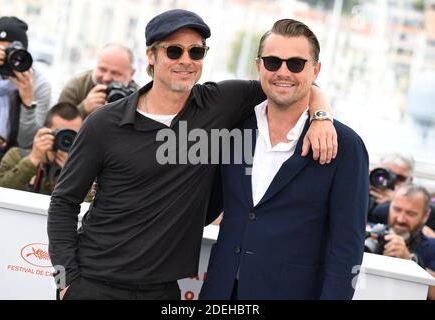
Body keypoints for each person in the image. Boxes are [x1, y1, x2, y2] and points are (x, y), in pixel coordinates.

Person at [48, 9, 337, 300]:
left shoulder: (219, 104)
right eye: (174, 51)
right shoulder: (104, 124)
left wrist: (322, 116)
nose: (186, 61)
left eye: (196, 52)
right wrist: (65, 281)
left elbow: (288, 81)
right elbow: (64, 202)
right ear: (151, 56)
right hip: (94, 284)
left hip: (162, 291)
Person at [199, 18, 369, 300]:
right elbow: (207, 204)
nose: (283, 71)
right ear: (258, 66)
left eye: (296, 64)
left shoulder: (345, 146)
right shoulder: (234, 129)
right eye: (273, 62)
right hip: (220, 290)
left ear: (316, 70)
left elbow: (347, 248)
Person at [0, 16, 51, 185]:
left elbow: (27, 142)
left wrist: (28, 100)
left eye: (11, 52)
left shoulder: (38, 84)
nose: (6, 59)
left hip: (10, 162)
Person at [0, 102, 88, 199]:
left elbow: (89, 207)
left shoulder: (84, 167)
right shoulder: (16, 156)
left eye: (72, 135)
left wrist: (72, 173)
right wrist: (32, 160)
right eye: (60, 133)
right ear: (45, 131)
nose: (66, 140)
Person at [367, 184, 435, 299]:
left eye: (411, 214)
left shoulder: (431, 247)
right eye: (397, 209)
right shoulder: (371, 233)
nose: (400, 219)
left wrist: (409, 261)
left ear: (426, 215)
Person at [57, 43, 138, 118]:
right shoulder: (75, 87)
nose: (106, 78)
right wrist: (83, 109)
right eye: (102, 69)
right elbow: (58, 126)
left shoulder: (140, 96)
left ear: (131, 74)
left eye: (115, 73)